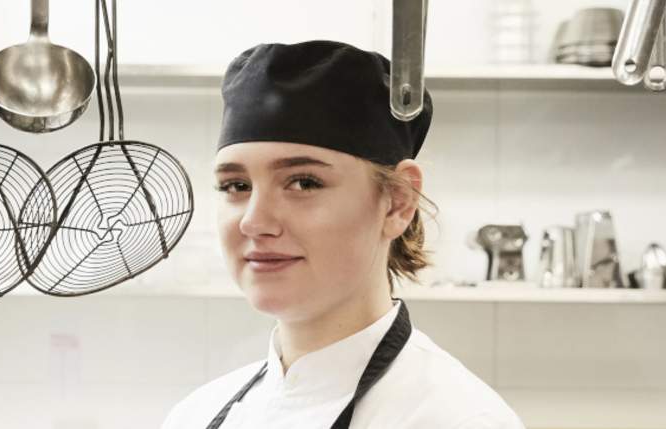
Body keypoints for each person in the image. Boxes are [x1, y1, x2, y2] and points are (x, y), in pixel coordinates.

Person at [160, 40, 524, 429]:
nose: (254, 221)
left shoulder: (457, 418)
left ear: (397, 202)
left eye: (303, 182)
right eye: (235, 186)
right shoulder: (196, 414)